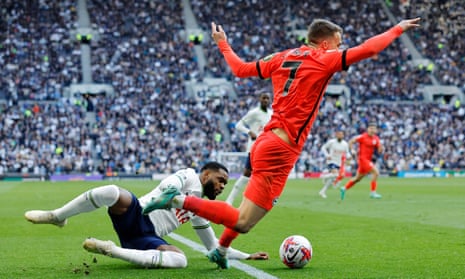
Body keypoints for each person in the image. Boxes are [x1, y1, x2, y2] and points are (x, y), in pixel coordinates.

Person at [142, 17, 421, 269]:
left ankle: (221, 250)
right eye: (339, 42)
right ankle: (177, 199)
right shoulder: (324, 58)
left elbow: (240, 70)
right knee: (243, 221)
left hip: (268, 139)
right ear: (325, 43)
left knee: (245, 215)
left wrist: (223, 44)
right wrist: (397, 28)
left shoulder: (282, 56)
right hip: (281, 148)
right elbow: (369, 49)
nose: (341, 46)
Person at [24, 162, 268, 269]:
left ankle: (111, 250)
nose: (222, 187)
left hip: (145, 240)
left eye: (225, 184)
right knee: (112, 192)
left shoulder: (199, 211)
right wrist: (172, 193)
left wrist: (247, 256)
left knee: (180, 260)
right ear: (206, 175)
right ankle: (57, 216)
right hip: (136, 215)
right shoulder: (190, 177)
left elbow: (214, 247)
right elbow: (168, 185)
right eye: (220, 180)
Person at [225, 91, 272, 205]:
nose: (265, 100)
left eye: (267, 98)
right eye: (263, 98)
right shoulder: (254, 113)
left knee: (263, 175)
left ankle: (258, 200)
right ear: (259, 99)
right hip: (254, 148)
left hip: (266, 148)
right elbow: (238, 125)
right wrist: (249, 131)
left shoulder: (271, 113)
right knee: (247, 173)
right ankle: (230, 200)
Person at [340, 122, 383, 200]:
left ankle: (344, 188)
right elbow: (351, 141)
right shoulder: (362, 137)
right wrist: (352, 150)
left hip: (368, 160)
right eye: (370, 128)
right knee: (376, 173)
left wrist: (380, 149)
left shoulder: (376, 138)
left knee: (357, 179)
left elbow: (379, 148)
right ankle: (373, 193)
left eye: (374, 129)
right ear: (367, 129)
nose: (372, 130)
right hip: (363, 160)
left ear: (376, 130)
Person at [318, 129, 350, 198]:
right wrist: (327, 155)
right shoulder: (331, 142)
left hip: (338, 162)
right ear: (336, 135)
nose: (340, 136)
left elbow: (347, 153)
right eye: (338, 134)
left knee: (332, 179)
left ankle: (322, 191)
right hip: (331, 161)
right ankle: (324, 177)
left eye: (341, 134)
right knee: (336, 174)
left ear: (343, 135)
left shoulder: (345, 144)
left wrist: (349, 157)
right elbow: (323, 147)